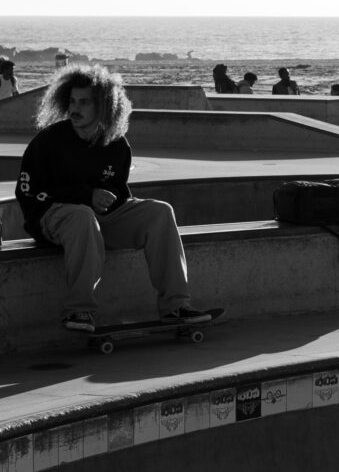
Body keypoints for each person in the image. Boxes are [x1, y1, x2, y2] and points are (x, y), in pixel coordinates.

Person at [15, 65, 213, 333]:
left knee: (159, 212)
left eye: (84, 102)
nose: (76, 108)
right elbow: (27, 191)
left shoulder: (116, 144)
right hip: (52, 217)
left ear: (105, 106)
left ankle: (175, 306)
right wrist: (85, 196)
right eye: (72, 101)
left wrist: (116, 205)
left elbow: (120, 194)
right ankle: (79, 310)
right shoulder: (48, 141)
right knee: (82, 216)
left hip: (98, 221)